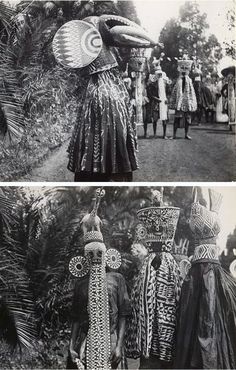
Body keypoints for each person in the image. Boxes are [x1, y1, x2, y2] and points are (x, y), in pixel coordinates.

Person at [52, 14, 156, 182]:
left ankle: (97, 166)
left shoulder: (87, 31)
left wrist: (150, 42)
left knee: (94, 125)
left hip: (97, 86)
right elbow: (124, 36)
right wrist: (151, 43)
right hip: (106, 85)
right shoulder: (98, 25)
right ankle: (111, 166)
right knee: (114, 124)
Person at [67, 189, 131, 370]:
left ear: (106, 254)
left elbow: (123, 316)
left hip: (111, 347)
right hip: (86, 347)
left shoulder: (117, 280)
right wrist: (72, 345)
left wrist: (119, 346)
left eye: (99, 253)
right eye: (91, 254)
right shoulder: (81, 285)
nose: (95, 256)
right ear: (85, 258)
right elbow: (76, 319)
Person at [174, 188, 236, 369]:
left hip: (207, 269)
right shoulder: (196, 277)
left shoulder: (205, 274)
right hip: (203, 270)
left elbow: (206, 320)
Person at [126, 189, 182, 369]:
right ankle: (149, 348)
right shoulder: (150, 264)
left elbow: (178, 297)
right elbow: (136, 301)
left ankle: (159, 348)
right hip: (153, 267)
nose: (155, 199)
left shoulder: (167, 263)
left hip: (161, 265)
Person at [170, 56, 197, 140]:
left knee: (187, 119)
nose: (184, 70)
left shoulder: (189, 80)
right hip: (179, 102)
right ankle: (174, 134)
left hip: (187, 101)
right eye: (183, 68)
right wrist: (173, 101)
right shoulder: (178, 80)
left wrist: (192, 101)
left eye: (186, 68)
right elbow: (175, 91)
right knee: (177, 118)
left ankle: (186, 134)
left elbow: (191, 92)